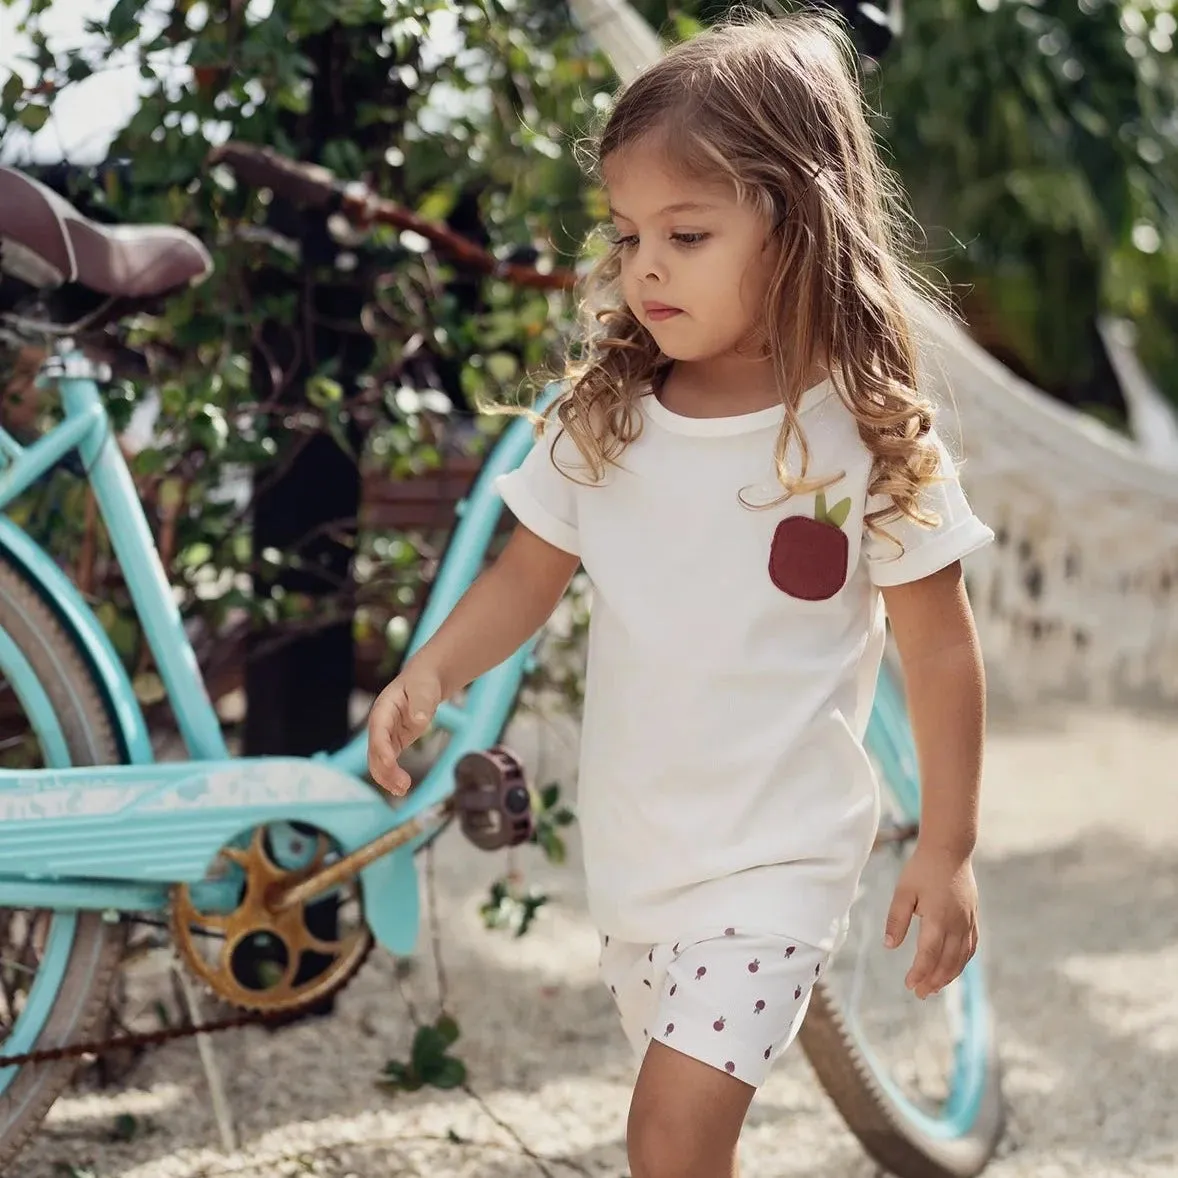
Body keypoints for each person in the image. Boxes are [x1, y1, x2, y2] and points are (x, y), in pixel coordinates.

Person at [368, 11, 993, 1177]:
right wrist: (434, 669)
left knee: (666, 1135)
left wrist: (946, 844)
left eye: (687, 232)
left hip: (776, 862)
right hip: (639, 865)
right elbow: (522, 578)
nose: (643, 263)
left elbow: (941, 650)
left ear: (797, 228)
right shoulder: (604, 420)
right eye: (625, 232)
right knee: (684, 1142)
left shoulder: (862, 436)